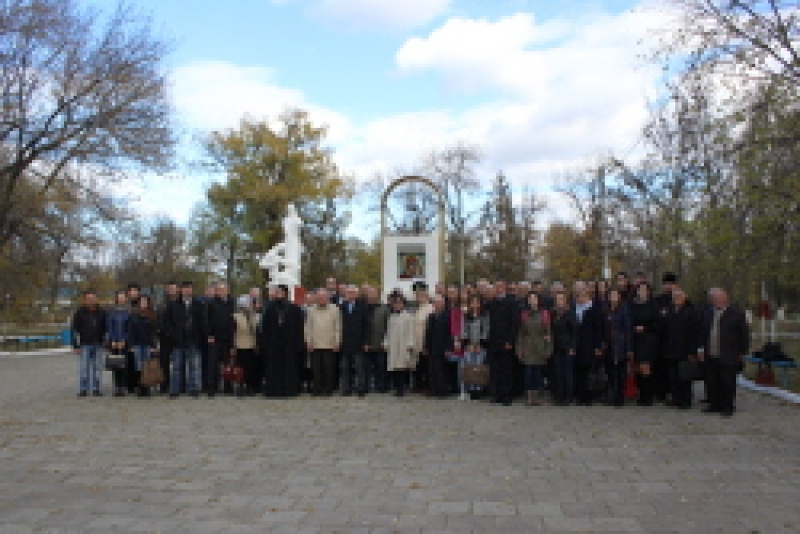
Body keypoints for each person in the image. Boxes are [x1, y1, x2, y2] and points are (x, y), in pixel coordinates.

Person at [699, 288, 750, 417]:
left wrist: (742, 352)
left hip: (729, 354)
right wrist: (700, 349)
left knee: (728, 381)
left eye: (719, 298)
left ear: (725, 298)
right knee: (712, 381)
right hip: (711, 353)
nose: (716, 301)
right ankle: (715, 404)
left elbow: (744, 335)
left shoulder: (736, 313)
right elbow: (702, 332)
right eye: (714, 299)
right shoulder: (708, 313)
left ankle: (728, 406)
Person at [260, 285, 305, 398]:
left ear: (285, 293)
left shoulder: (294, 309)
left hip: (289, 344)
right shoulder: (269, 308)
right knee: (273, 368)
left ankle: (289, 390)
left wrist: (298, 344)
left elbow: (299, 328)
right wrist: (264, 344)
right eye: (277, 291)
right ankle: (273, 390)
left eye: (280, 291)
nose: (278, 294)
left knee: (289, 368)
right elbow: (264, 328)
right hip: (273, 344)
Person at [164, 281, 205, 398]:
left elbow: (202, 322)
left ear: (192, 290)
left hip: (194, 339)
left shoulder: (198, 304)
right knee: (177, 366)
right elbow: (167, 323)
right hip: (178, 340)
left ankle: (194, 389)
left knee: (194, 366)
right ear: (181, 290)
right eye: (185, 288)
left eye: (189, 288)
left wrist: (201, 336)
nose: (187, 291)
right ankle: (175, 389)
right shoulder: (173, 304)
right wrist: (172, 334)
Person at [485, 280, 519, 406]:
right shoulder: (492, 303)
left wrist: (510, 340)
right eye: (496, 286)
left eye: (501, 286)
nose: (499, 288)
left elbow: (515, 323)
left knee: (506, 370)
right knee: (495, 370)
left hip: (506, 341)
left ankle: (506, 395)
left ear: (505, 287)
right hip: (493, 342)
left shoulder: (512, 302)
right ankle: (496, 394)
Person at [664, 288, 699, 409]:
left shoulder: (690, 312)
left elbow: (694, 333)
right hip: (671, 349)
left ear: (685, 297)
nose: (676, 299)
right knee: (673, 376)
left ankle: (686, 400)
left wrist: (692, 351)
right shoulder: (670, 311)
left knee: (685, 376)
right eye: (674, 297)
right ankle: (676, 398)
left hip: (685, 350)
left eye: (679, 296)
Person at [516, 292, 552, 406]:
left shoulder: (544, 314)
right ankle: (529, 396)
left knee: (537, 373)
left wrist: (548, 349)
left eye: (534, 299)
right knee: (528, 373)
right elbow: (520, 333)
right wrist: (519, 349)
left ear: (538, 300)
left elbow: (548, 333)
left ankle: (536, 397)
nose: (532, 301)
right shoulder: (524, 314)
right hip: (528, 347)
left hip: (540, 346)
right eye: (530, 299)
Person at [305, 289, 342, 396]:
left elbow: (338, 327)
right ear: (316, 298)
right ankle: (317, 388)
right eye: (319, 297)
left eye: (323, 297)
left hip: (329, 343)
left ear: (328, 298)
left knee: (329, 368)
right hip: (315, 344)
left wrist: (337, 341)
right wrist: (308, 341)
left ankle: (328, 389)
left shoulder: (335, 309)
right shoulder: (311, 310)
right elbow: (308, 327)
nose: (321, 299)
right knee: (316, 369)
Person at [71, 290, 107, 397]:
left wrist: (106, 343)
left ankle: (96, 388)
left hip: (98, 343)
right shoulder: (79, 312)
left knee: (97, 368)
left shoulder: (102, 312)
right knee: (84, 368)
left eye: (93, 298)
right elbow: (74, 330)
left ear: (96, 299)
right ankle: (83, 389)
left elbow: (106, 329)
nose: (91, 301)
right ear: (85, 300)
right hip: (84, 344)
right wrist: (75, 345)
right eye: (88, 299)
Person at [629, 282, 660, 406]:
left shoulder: (653, 305)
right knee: (637, 367)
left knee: (645, 366)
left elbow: (658, 323)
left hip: (648, 339)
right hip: (635, 338)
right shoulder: (632, 305)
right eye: (639, 289)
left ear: (648, 291)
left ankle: (648, 396)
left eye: (644, 289)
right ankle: (641, 394)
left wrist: (645, 328)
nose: (642, 292)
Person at [573, 288, 605, 406]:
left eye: (583, 296)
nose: (581, 298)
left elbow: (599, 329)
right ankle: (580, 396)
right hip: (578, 344)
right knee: (579, 371)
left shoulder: (594, 310)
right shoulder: (574, 309)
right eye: (578, 296)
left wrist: (598, 346)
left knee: (589, 372)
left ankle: (589, 397)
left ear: (588, 297)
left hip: (590, 345)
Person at [603, 289, 633, 407]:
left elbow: (628, 329)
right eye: (611, 295)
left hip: (620, 345)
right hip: (609, 345)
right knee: (610, 372)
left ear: (619, 297)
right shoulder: (606, 310)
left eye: (616, 295)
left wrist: (629, 348)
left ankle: (619, 397)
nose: (613, 297)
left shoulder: (624, 310)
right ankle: (612, 395)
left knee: (620, 373)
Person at [339, 285, 369, 396]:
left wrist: (366, 342)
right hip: (345, 342)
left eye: (352, 293)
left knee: (359, 367)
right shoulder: (341, 307)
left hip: (358, 342)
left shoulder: (362, 306)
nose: (350, 295)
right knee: (345, 368)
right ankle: (347, 388)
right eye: (348, 293)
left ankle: (361, 388)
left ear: (356, 294)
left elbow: (366, 325)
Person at [207, 282, 236, 397]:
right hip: (215, 338)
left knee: (227, 363)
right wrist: (210, 335)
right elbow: (207, 320)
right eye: (219, 290)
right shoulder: (211, 303)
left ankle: (228, 387)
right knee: (213, 364)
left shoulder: (231, 303)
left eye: (223, 290)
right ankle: (212, 387)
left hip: (228, 338)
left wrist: (233, 337)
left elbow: (234, 320)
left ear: (227, 291)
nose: (221, 292)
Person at [383, 294, 415, 397]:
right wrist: (386, 343)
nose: (397, 305)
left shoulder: (408, 317)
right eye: (395, 303)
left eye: (399, 303)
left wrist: (410, 344)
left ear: (403, 304)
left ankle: (402, 389)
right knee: (394, 367)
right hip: (393, 345)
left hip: (403, 344)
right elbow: (388, 331)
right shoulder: (392, 317)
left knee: (402, 366)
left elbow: (411, 331)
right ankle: (396, 387)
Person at [653, 272, 678, 403]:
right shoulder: (658, 300)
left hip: (675, 340)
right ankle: (660, 392)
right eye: (666, 284)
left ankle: (674, 392)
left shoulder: (680, 299)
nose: (668, 287)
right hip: (660, 339)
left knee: (674, 368)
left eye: (671, 284)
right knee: (660, 367)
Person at [127, 294, 157, 397]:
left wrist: (153, 346)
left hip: (148, 344)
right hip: (137, 344)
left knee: (147, 367)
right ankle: (140, 387)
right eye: (142, 301)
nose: (143, 303)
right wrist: (131, 345)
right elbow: (130, 331)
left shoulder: (152, 315)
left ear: (148, 303)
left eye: (145, 301)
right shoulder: (133, 315)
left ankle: (147, 388)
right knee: (138, 366)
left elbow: (153, 332)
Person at [551, 292, 577, 405]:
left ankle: (568, 396)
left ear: (565, 301)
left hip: (567, 347)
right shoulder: (554, 314)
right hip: (556, 347)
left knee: (567, 373)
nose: (559, 301)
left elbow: (575, 332)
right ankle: (559, 396)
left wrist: (572, 346)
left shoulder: (570, 314)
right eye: (558, 299)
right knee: (558, 373)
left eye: (561, 299)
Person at [424, 295, 453, 398]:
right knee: (432, 370)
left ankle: (443, 391)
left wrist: (449, 348)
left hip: (443, 347)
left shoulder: (447, 316)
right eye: (435, 303)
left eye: (439, 303)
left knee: (442, 371)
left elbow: (450, 333)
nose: (437, 305)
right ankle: (433, 389)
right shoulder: (431, 317)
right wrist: (426, 347)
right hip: (432, 347)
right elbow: (428, 333)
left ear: (443, 304)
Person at [461, 294, 489, 400]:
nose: (475, 304)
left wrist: (480, 344)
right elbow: (464, 330)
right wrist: (468, 344)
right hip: (469, 346)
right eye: (472, 302)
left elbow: (486, 330)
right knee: (469, 367)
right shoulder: (467, 315)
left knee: (479, 368)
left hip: (481, 346)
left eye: (477, 302)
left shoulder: (485, 315)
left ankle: (479, 389)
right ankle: (470, 389)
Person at [233, 295, 260, 396]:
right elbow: (234, 332)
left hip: (251, 345)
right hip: (240, 345)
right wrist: (234, 346)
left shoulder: (252, 315)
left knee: (250, 367)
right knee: (241, 368)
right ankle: (240, 386)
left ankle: (249, 386)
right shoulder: (236, 316)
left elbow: (255, 330)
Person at [364, 287, 390, 394]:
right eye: (370, 294)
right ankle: (367, 386)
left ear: (377, 295)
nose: (372, 296)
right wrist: (365, 342)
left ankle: (381, 386)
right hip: (367, 344)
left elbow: (388, 326)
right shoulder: (363, 308)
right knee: (367, 368)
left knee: (381, 367)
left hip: (380, 343)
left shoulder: (384, 308)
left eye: (374, 294)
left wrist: (385, 342)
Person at [106, 290, 130, 397]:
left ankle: (123, 386)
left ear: (125, 299)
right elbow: (110, 327)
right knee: (115, 365)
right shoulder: (112, 312)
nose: (120, 299)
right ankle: (117, 387)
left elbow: (129, 328)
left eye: (122, 297)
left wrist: (124, 340)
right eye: (119, 297)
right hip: (114, 343)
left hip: (125, 342)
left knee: (124, 365)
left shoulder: (128, 312)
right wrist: (113, 340)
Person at [157, 281, 179, 394]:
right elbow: (159, 320)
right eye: (169, 288)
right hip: (164, 337)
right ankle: (164, 385)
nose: (171, 291)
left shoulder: (181, 302)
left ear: (177, 290)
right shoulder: (162, 304)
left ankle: (177, 385)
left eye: (173, 288)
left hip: (178, 337)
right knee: (164, 362)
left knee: (177, 363)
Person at [412, 284, 434, 393]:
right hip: (416, 341)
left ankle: (427, 386)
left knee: (426, 365)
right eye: (418, 295)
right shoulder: (417, 308)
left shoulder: (431, 308)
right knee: (417, 365)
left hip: (425, 340)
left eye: (422, 295)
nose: (420, 297)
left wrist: (426, 343)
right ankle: (418, 385)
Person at [125, 283, 142, 394]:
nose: (133, 293)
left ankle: (139, 383)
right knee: (128, 363)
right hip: (126, 338)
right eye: (131, 291)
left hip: (139, 339)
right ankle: (129, 385)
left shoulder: (142, 304)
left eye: (135, 290)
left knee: (139, 363)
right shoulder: (125, 305)